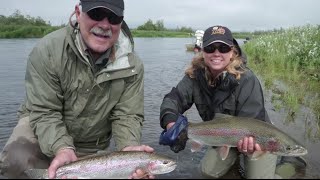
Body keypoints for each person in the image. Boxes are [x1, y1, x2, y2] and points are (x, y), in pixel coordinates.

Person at [0, 0, 155, 179]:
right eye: (96, 14)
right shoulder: (47, 51)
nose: (105, 25)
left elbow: (127, 116)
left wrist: (128, 149)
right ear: (78, 13)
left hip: (91, 142)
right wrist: (62, 148)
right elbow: (45, 111)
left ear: (121, 22)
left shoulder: (132, 65)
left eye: (113, 18)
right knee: (16, 160)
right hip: (40, 127)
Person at [159, 25, 271, 178]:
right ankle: (233, 165)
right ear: (203, 51)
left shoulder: (247, 79)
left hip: (257, 138)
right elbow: (172, 99)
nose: (216, 53)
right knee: (207, 172)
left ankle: (286, 165)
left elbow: (252, 123)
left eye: (223, 48)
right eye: (211, 48)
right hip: (221, 137)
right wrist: (171, 123)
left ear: (232, 52)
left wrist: (249, 145)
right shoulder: (194, 76)